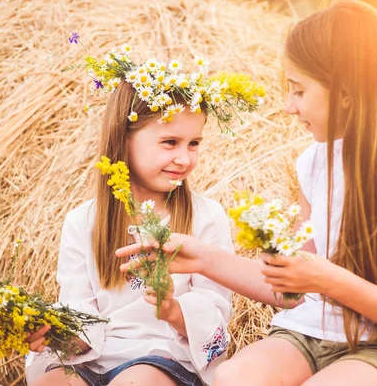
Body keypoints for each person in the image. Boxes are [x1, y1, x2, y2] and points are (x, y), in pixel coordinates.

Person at [117, 0, 377, 386]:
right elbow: (291, 290)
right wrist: (203, 257)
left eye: (298, 90)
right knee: (232, 378)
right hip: (310, 332)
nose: (288, 106)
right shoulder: (314, 162)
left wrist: (329, 281)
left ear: (345, 92)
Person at [25, 48, 264, 386]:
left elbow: (215, 308)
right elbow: (82, 314)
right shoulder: (83, 221)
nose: (184, 158)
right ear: (123, 139)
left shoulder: (206, 216)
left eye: (194, 143)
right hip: (94, 358)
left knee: (136, 380)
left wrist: (173, 311)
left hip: (165, 357)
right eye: (170, 142)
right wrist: (53, 334)